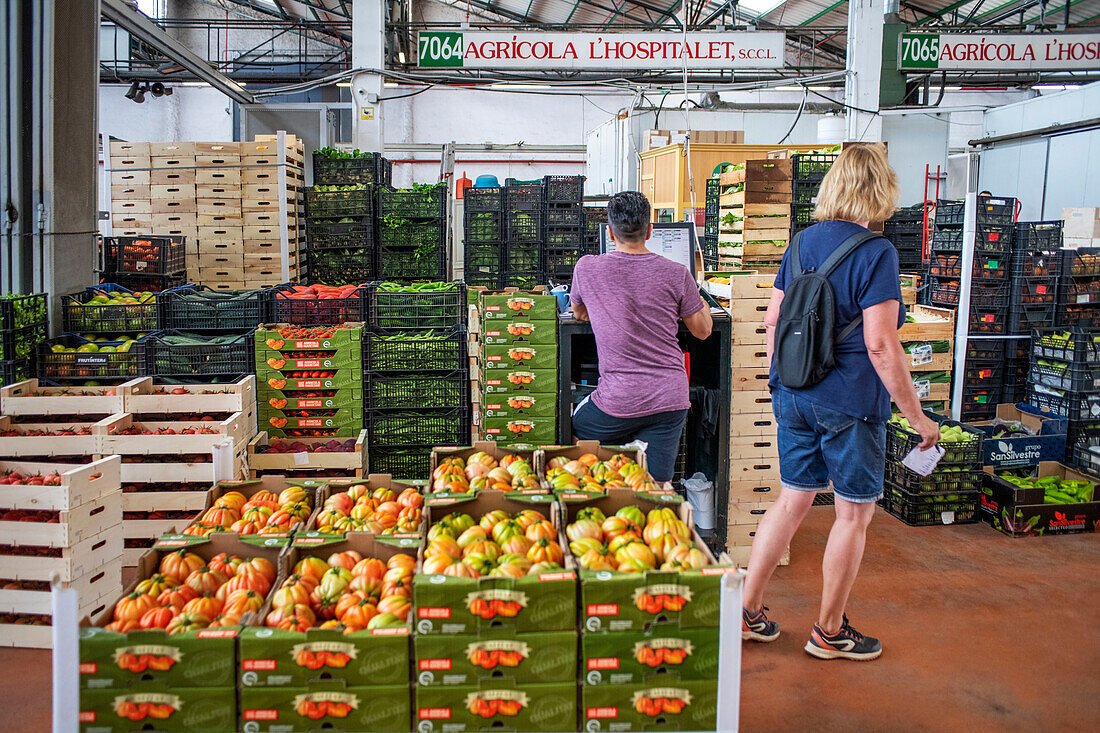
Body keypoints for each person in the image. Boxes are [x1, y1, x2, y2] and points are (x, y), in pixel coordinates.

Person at [741, 145, 940, 661]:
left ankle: (748, 611)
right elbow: (880, 343)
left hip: (794, 392)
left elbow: (772, 320)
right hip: (850, 402)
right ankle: (829, 633)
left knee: (791, 500)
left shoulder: (802, 242)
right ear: (881, 191)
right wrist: (917, 416)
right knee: (852, 516)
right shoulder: (878, 254)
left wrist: (780, 379)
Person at [568, 191, 713, 484]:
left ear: (609, 232)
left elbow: (580, 314)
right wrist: (701, 299)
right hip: (669, 400)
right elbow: (703, 330)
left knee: (572, 424)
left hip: (616, 402)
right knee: (659, 486)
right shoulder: (677, 273)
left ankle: (600, 486)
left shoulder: (587, 267)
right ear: (650, 230)